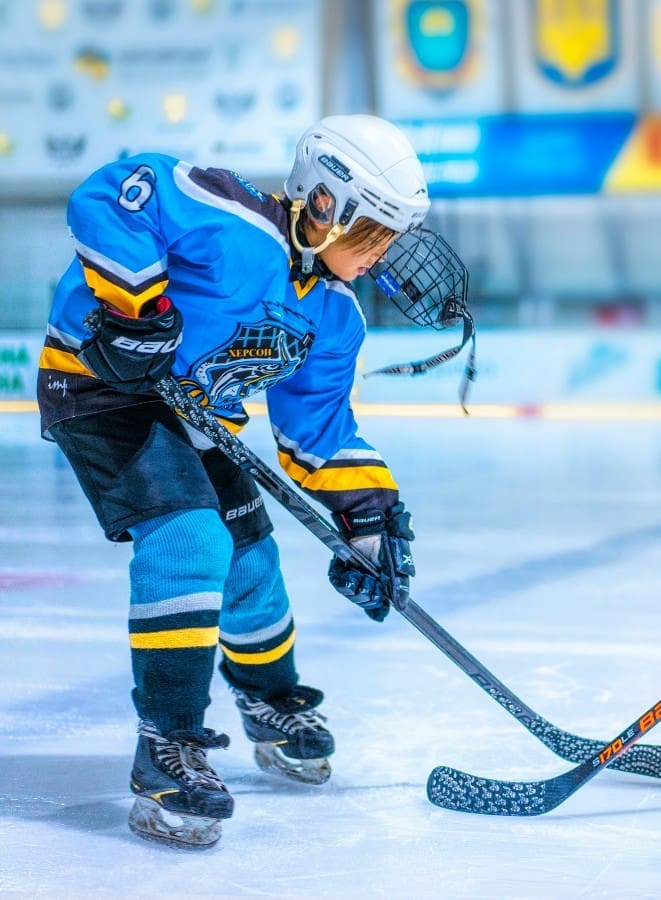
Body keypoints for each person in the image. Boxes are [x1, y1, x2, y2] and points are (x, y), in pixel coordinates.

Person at [37, 115, 469, 849]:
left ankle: (270, 701)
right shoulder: (234, 225)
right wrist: (134, 309)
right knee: (190, 536)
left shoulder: (334, 316)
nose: (382, 256)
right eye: (375, 234)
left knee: (251, 561)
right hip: (102, 386)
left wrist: (369, 523)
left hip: (194, 413)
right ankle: (167, 747)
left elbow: (318, 434)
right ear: (326, 204)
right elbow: (114, 194)